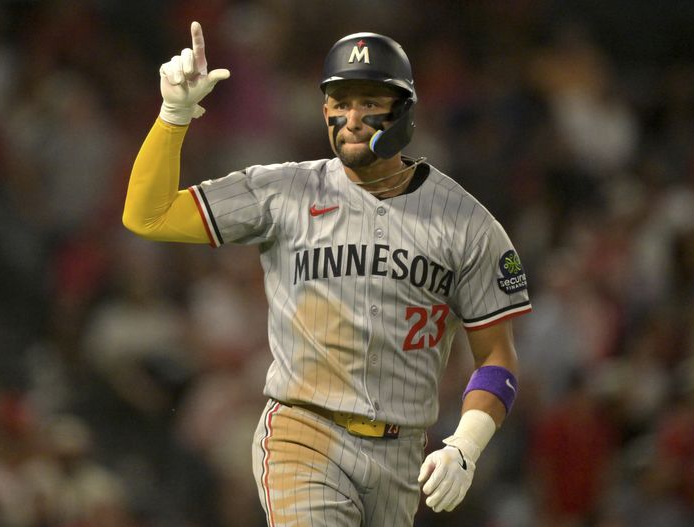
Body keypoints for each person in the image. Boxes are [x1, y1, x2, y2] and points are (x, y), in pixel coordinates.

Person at [123, 21, 532, 527]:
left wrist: (466, 445)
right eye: (340, 102)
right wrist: (173, 116)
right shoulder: (284, 191)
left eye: (369, 101)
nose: (351, 118)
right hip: (303, 432)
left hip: (402, 453)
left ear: (405, 110)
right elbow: (149, 215)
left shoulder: (466, 223)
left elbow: (497, 356)